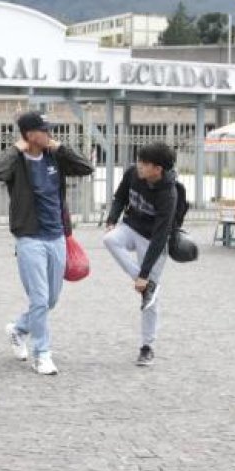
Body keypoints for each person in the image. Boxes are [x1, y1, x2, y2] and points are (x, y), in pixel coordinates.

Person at [0, 111, 94, 376]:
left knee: (51, 300)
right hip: (29, 238)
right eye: (44, 130)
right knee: (39, 299)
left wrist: (59, 147)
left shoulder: (54, 156)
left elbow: (86, 168)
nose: (50, 134)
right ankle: (42, 354)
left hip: (56, 236)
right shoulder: (17, 160)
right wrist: (16, 148)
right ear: (30, 134)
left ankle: (18, 329)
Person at [102, 142, 179, 367]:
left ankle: (147, 346)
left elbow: (160, 236)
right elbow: (120, 197)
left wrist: (146, 273)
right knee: (109, 239)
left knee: (149, 303)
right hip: (131, 227)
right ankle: (148, 286)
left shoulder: (169, 194)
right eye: (139, 161)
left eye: (145, 164)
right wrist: (111, 220)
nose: (139, 167)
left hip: (153, 240)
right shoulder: (132, 174)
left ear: (158, 169)